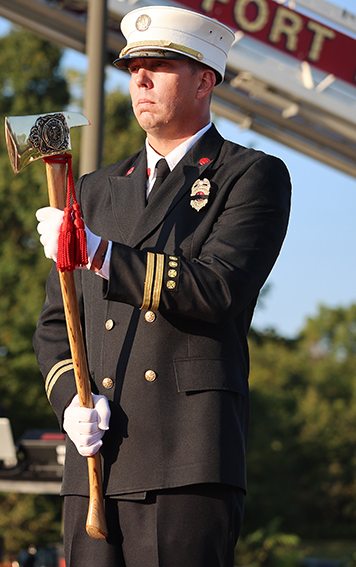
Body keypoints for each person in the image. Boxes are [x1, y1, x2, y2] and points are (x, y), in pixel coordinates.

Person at [32, 6, 291, 566]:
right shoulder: (96, 189)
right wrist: (67, 404)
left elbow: (219, 288)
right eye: (133, 68)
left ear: (205, 80)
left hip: (185, 455)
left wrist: (100, 253)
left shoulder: (248, 175)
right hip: (96, 459)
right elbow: (58, 324)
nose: (141, 80)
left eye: (160, 65)